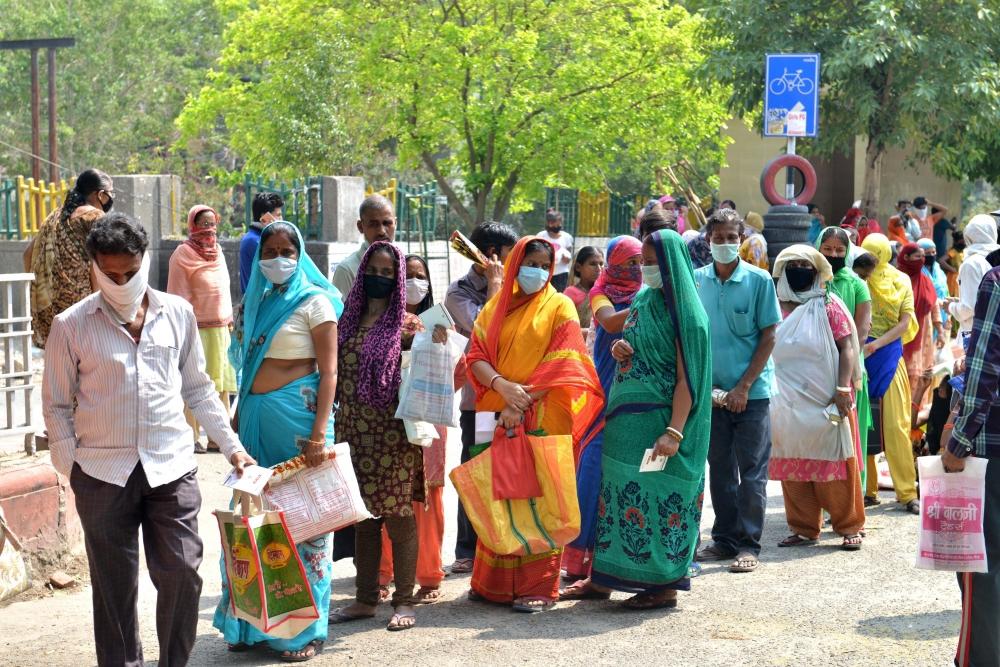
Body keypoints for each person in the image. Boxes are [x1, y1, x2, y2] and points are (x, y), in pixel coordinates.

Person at [42, 212, 255, 667]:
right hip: (100, 473)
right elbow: (57, 403)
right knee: (114, 587)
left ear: (145, 261)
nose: (121, 281)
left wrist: (233, 447)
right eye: (110, 273)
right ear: (94, 267)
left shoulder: (177, 313)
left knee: (181, 573)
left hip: (171, 466)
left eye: (131, 272)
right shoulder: (70, 325)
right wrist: (70, 465)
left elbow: (198, 387)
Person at [560, 228, 710, 610]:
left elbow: (686, 378)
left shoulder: (688, 315)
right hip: (625, 425)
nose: (644, 269)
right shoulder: (643, 300)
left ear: (671, 264)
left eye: (650, 262)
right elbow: (631, 340)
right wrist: (624, 348)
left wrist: (674, 432)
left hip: (660, 426)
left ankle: (662, 587)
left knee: (659, 503)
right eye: (641, 262)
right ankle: (603, 578)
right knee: (617, 503)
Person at [216, 221, 342, 661]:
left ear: (301, 253)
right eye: (269, 250)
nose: (278, 258)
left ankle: (304, 631)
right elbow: (245, 368)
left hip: (299, 426)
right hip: (253, 425)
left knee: (302, 527)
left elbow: (329, 373)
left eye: (287, 249)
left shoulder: (316, 302)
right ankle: (251, 625)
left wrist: (317, 436)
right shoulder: (256, 302)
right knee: (252, 520)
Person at [466, 237, 603, 611]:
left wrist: (520, 401)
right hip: (495, 410)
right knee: (501, 492)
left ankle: (537, 587)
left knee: (541, 498)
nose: (539, 272)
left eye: (546, 265)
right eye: (532, 263)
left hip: (542, 411)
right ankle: (492, 583)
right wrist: (502, 387)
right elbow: (475, 355)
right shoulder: (495, 307)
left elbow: (564, 359)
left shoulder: (560, 306)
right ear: (514, 265)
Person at [330, 241, 425, 631]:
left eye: (389, 273)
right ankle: (365, 599)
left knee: (399, 518)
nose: (380, 278)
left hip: (394, 437)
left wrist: (433, 342)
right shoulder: (346, 320)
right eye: (375, 270)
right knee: (364, 520)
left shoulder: (408, 325)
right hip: (352, 433)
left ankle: (404, 601)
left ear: (398, 279)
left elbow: (430, 370)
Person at [694, 208, 781, 574]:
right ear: (708, 241)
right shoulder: (696, 281)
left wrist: (744, 386)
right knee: (720, 469)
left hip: (753, 393)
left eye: (732, 237)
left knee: (752, 470)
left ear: (741, 239)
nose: (726, 244)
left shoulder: (759, 281)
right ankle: (724, 539)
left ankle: (749, 544)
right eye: (719, 238)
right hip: (711, 392)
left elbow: (769, 336)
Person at [377, 254, 461, 605]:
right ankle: (383, 573)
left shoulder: (441, 323)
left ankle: (428, 574)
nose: (414, 282)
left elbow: (459, 372)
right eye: (407, 275)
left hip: (428, 419)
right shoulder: (379, 320)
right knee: (387, 494)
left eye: (420, 275)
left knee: (429, 496)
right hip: (388, 417)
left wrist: (438, 348)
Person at [561, 235, 644, 591]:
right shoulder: (600, 291)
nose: (634, 269)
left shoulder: (648, 291)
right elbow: (610, 324)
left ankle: (616, 564)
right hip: (604, 392)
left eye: (639, 262)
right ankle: (582, 561)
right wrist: (651, 304)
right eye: (627, 262)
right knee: (592, 473)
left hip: (639, 392)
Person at [769, 246, 865, 551]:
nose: (799, 269)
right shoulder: (772, 306)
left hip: (827, 398)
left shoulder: (827, 305)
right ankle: (804, 527)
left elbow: (846, 348)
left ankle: (848, 525)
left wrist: (842, 389)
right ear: (782, 270)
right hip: (786, 400)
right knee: (793, 464)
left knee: (836, 462)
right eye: (792, 264)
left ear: (817, 270)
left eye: (805, 264)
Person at [444, 222, 518, 574]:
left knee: (511, 471)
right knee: (476, 470)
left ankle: (504, 542)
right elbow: (490, 332)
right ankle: (467, 548)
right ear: (491, 255)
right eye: (509, 254)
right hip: (479, 402)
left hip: (515, 399)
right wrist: (494, 285)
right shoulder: (458, 293)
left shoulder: (519, 286)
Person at [942, 261, 1000, 667]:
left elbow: (985, 367)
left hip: (993, 446)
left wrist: (958, 441)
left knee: (984, 565)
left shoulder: (996, 281)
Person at [167, 205, 236, 454]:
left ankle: (219, 437)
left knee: (221, 385)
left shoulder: (218, 252)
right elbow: (175, 295)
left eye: (212, 224)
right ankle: (192, 436)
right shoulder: (181, 254)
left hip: (220, 329)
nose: (209, 230)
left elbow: (224, 289)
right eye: (203, 224)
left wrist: (229, 320)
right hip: (194, 330)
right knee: (194, 384)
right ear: (193, 227)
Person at [859, 233, 920, 512]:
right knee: (863, 423)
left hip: (885, 355)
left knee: (894, 425)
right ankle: (866, 490)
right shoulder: (856, 278)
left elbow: (905, 321)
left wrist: (875, 346)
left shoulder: (900, 280)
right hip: (862, 353)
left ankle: (906, 492)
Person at [29, 168, 113, 348]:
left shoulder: (54, 217)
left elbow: (27, 254)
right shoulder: (95, 216)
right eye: (110, 194)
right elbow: (98, 265)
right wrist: (100, 304)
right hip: (81, 308)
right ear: (101, 195)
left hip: (49, 309)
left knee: (62, 366)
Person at [817, 227, 873, 488]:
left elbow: (861, 331)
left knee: (851, 435)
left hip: (849, 369)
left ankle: (854, 496)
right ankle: (824, 497)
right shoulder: (812, 279)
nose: (833, 254)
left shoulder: (857, 285)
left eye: (840, 250)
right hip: (815, 367)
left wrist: (845, 361)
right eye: (827, 249)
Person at [897, 243, 946, 404]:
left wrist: (941, 330)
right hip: (902, 333)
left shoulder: (925, 280)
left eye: (923, 257)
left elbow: (934, 306)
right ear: (906, 257)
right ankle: (902, 411)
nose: (922, 260)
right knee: (903, 372)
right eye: (918, 256)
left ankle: (917, 412)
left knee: (923, 374)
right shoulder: (897, 279)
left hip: (924, 335)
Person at [331, 194, 397, 297]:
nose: (381, 231)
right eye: (374, 224)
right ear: (360, 226)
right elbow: (340, 312)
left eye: (387, 223)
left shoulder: (405, 265)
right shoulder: (347, 270)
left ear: (395, 223)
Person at [948, 215, 1000, 336]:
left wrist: (951, 307)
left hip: (976, 334)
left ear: (969, 235)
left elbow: (969, 308)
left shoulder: (972, 263)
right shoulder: (996, 257)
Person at [239, 192, 283, 293]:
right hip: (259, 302)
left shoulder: (257, 237)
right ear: (265, 217)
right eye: (278, 215)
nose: (281, 219)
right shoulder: (255, 241)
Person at [564, 246, 604, 332]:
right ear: (578, 267)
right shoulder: (570, 293)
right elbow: (566, 327)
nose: (599, 269)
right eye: (593, 264)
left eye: (601, 264)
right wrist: (592, 333)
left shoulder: (605, 292)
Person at [917, 238, 951, 332]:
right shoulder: (917, 271)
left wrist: (948, 314)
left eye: (933, 252)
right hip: (926, 316)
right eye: (927, 253)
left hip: (943, 312)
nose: (931, 255)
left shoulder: (938, 268)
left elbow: (945, 290)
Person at [537, 208, 574, 292]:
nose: (556, 226)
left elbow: (569, 256)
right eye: (553, 224)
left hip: (561, 273)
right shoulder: (541, 236)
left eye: (558, 224)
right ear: (548, 223)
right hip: (545, 272)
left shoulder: (567, 237)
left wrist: (566, 258)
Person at [942, 230, 966, 298]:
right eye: (962, 240)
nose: (964, 242)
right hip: (954, 278)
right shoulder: (953, 251)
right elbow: (942, 261)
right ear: (957, 241)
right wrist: (952, 269)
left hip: (962, 276)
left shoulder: (964, 251)